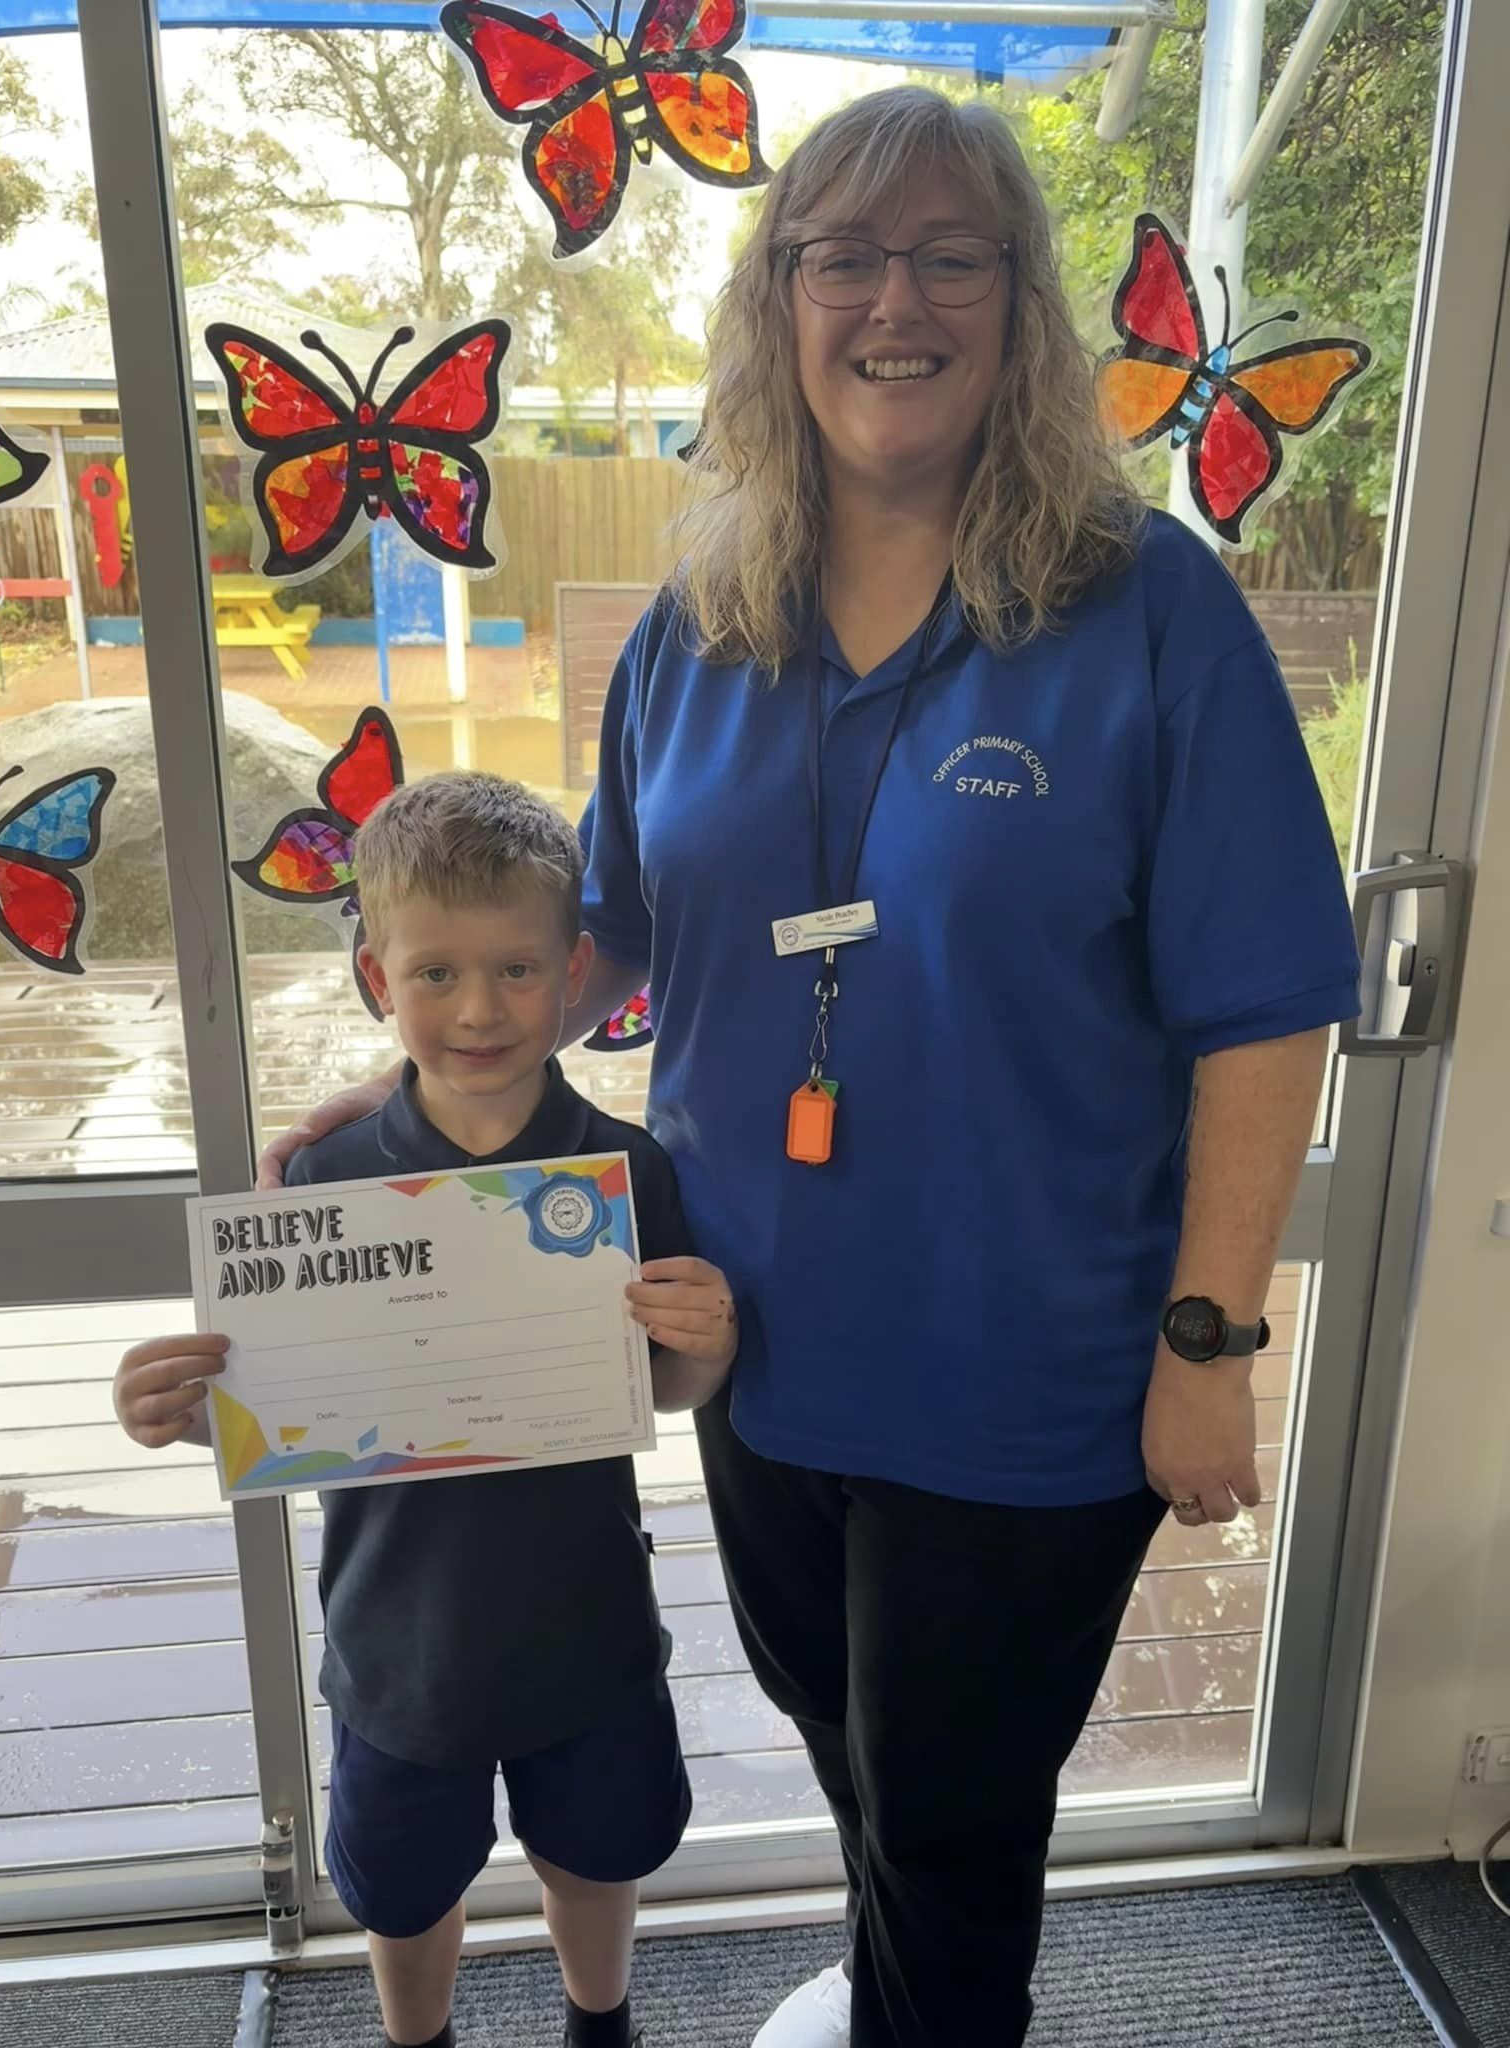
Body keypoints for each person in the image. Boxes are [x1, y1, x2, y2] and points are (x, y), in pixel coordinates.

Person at [259, 86, 1362, 2048]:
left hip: (1024, 1357)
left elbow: (1264, 1005)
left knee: (950, 1817)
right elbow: (609, 932)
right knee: (847, 1738)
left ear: (1021, 307)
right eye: (842, 258)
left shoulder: (1147, 608)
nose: (894, 303)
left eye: (951, 258)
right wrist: (415, 1098)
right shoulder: (700, 622)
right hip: (741, 1331)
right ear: (777, 305)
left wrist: (1210, 1341)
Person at [114, 773, 739, 2048]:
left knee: (594, 1860)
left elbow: (664, 1390)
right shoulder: (322, 1182)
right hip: (398, 1640)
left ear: (574, 973)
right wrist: (183, 1406)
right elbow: (277, 1402)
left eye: (516, 969)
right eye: (436, 972)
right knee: (402, 1895)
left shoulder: (629, 1173)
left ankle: (601, 2024)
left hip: (583, 1621)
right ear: (375, 978)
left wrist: (708, 1346)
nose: (479, 1009)